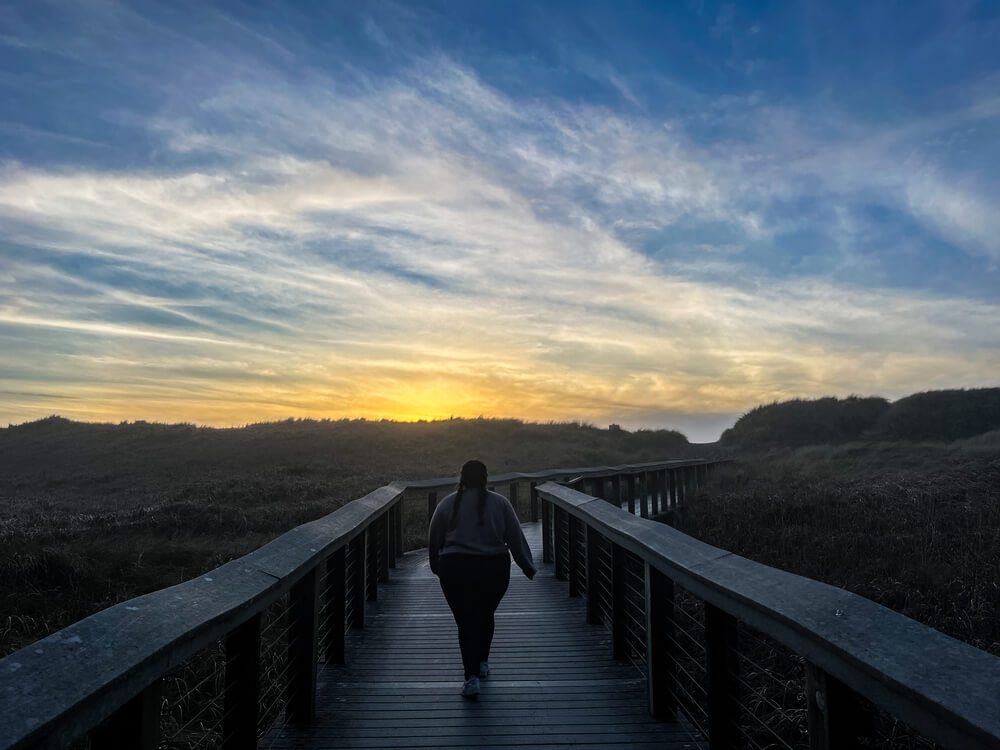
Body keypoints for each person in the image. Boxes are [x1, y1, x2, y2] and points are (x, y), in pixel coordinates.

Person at [428, 459, 537, 699]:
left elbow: (434, 537)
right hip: (493, 568)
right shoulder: (500, 503)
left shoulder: (447, 504)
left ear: (462, 478)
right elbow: (515, 537)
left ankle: (472, 677)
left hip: (455, 568)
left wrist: (436, 566)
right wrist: (527, 566)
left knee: (465, 621)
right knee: (485, 614)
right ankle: (482, 662)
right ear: (486, 478)